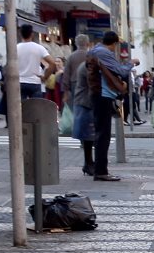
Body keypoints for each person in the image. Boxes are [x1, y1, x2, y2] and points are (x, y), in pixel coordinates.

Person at [85, 31, 132, 181]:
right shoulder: (103, 53)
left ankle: (100, 170)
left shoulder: (95, 50)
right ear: (114, 44)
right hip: (103, 95)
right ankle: (101, 171)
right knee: (103, 134)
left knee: (102, 133)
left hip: (100, 95)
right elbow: (120, 71)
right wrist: (131, 63)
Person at [63, 35, 96, 176]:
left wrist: (66, 91)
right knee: (87, 124)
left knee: (80, 120)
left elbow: (66, 75)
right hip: (87, 92)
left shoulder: (71, 57)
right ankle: (88, 160)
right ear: (87, 43)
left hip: (76, 89)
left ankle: (86, 149)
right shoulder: (90, 58)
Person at [16, 24, 56, 100]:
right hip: (35, 82)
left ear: (20, 34)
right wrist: (45, 77)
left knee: (21, 108)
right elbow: (52, 63)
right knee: (36, 107)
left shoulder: (16, 48)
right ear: (32, 34)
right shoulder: (39, 48)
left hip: (20, 81)